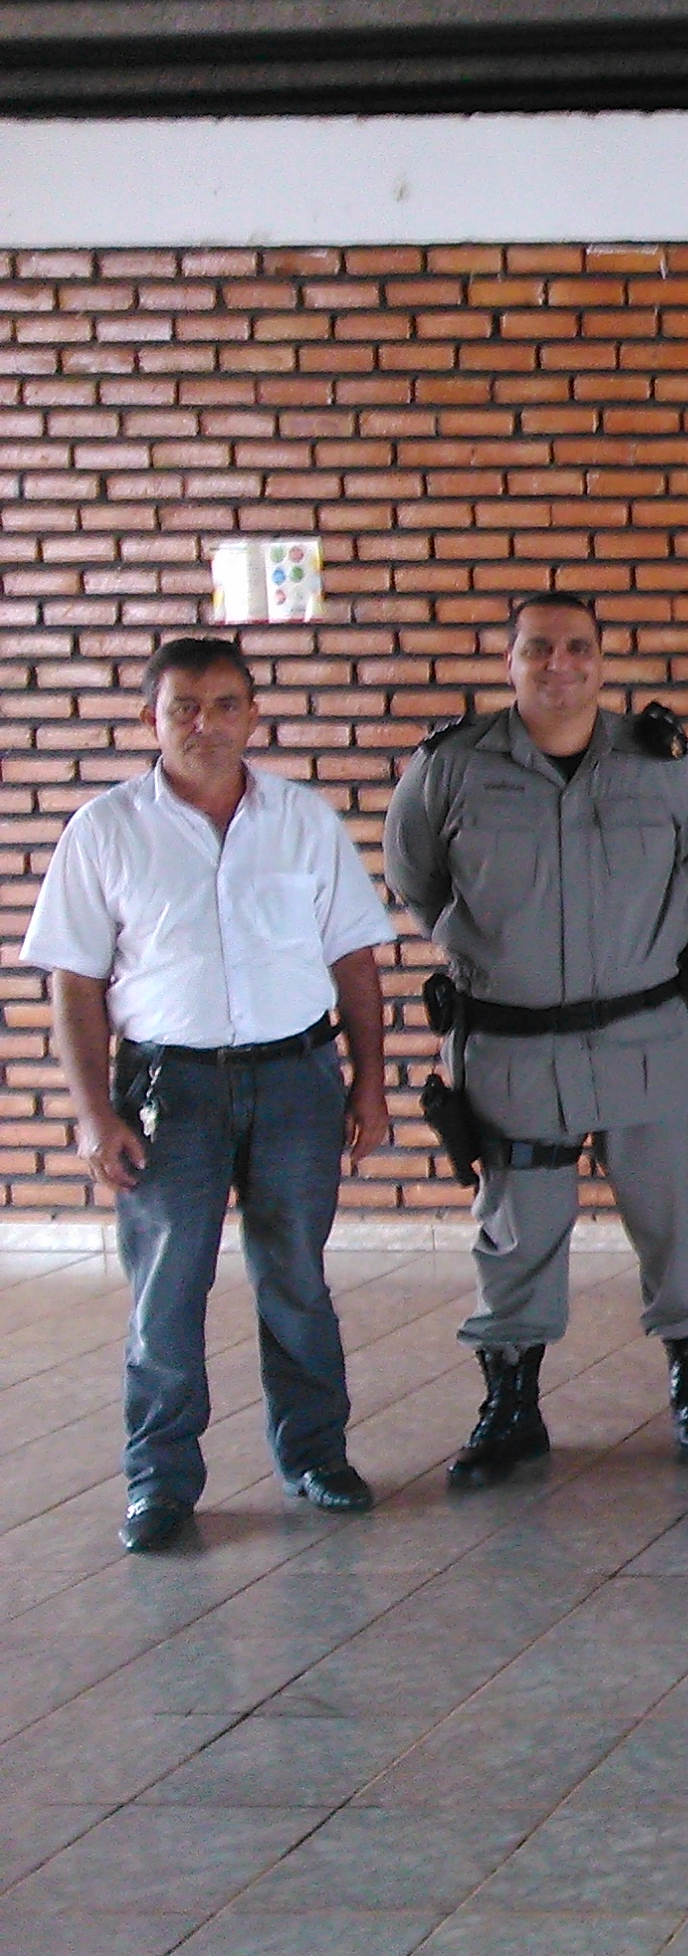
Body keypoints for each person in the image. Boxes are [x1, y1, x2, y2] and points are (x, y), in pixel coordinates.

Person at [23, 636, 392, 1553]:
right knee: (166, 1292)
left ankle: (316, 1457)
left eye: (226, 704)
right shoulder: (105, 829)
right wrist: (91, 1114)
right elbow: (73, 983)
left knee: (297, 1281)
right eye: (183, 706)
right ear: (149, 717)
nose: (205, 723)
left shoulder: (303, 820)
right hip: (167, 1089)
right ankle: (160, 1484)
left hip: (297, 1081)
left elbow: (354, 960)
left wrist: (370, 1084)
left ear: (253, 717)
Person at [385, 592, 688, 1487]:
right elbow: (415, 878)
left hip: (644, 1036)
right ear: (508, 661)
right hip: (513, 1046)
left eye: (577, 647)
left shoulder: (658, 763)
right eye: (538, 648)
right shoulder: (452, 767)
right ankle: (512, 1409)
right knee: (517, 1230)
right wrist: (497, 954)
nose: (559, 665)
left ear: (602, 660)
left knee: (674, 1221)